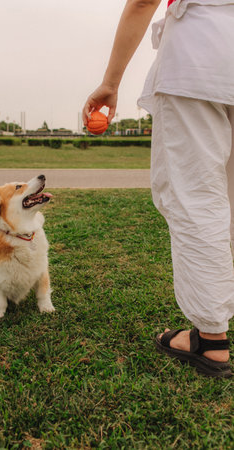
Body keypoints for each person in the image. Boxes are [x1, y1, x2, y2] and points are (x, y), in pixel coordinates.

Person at [82, 0, 234, 378]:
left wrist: (110, 83)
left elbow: (144, 1)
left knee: (196, 197)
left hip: (198, 63)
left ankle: (211, 340)